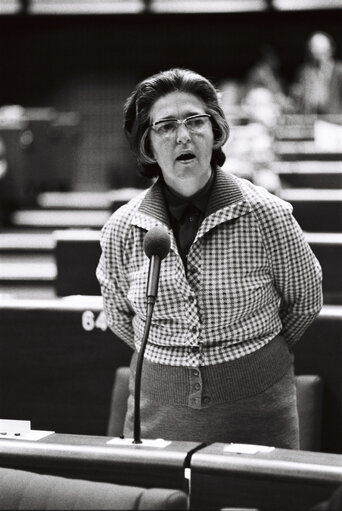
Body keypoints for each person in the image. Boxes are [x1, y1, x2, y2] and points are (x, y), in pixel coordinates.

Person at [96, 68, 322, 448]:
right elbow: (119, 314)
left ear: (215, 131)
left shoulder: (266, 214)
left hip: (257, 409)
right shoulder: (122, 227)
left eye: (195, 121)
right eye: (165, 126)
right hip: (157, 413)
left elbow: (305, 301)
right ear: (147, 145)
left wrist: (247, 362)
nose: (183, 136)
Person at [291, 31, 342, 114]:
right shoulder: (305, 71)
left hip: (335, 119)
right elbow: (299, 97)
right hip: (311, 118)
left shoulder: (339, 70)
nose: (313, 51)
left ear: (330, 51)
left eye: (322, 53)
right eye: (313, 49)